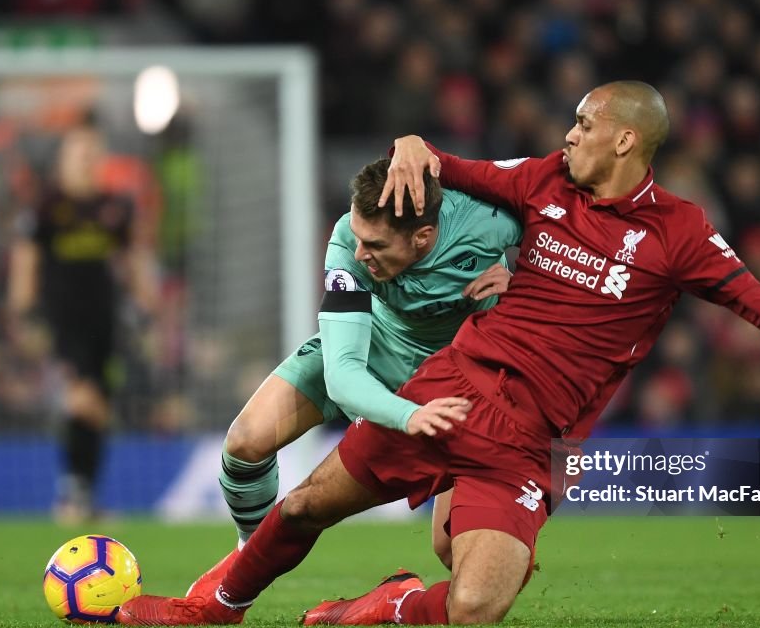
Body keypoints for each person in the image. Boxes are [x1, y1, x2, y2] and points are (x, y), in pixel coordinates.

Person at [118, 81, 760, 627]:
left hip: (541, 441)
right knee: (304, 504)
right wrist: (412, 141)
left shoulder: (681, 233)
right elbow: (446, 167)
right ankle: (211, 605)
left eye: (584, 124)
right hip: (455, 384)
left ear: (626, 138)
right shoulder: (543, 181)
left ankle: (380, 604)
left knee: (474, 605)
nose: (568, 135)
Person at [183, 157, 521, 596]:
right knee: (245, 442)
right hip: (370, 344)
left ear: (423, 237)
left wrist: (528, 282)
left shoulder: (488, 219)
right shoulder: (348, 242)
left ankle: (393, 598)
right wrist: (406, 415)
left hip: (456, 378)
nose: (360, 253)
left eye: (375, 244)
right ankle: (251, 553)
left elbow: (560, 207)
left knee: (453, 550)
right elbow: (343, 374)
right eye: (358, 236)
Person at [7, 123, 157, 523]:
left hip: (104, 324)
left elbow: (134, 257)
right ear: (63, 160)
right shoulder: (45, 207)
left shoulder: (114, 208)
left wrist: (146, 303)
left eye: (93, 155)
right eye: (79, 154)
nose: (86, 162)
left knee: (99, 408)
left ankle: (82, 493)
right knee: (82, 400)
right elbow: (26, 261)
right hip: (62, 324)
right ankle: (73, 492)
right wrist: (24, 315)